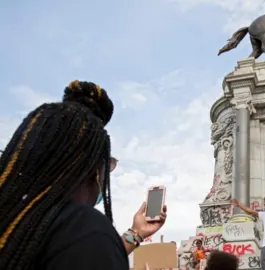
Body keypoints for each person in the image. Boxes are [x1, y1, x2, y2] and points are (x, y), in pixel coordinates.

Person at [0, 80, 166, 270]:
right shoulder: (85, 231)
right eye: (107, 165)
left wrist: (136, 233)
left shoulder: (18, 222)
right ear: (91, 170)